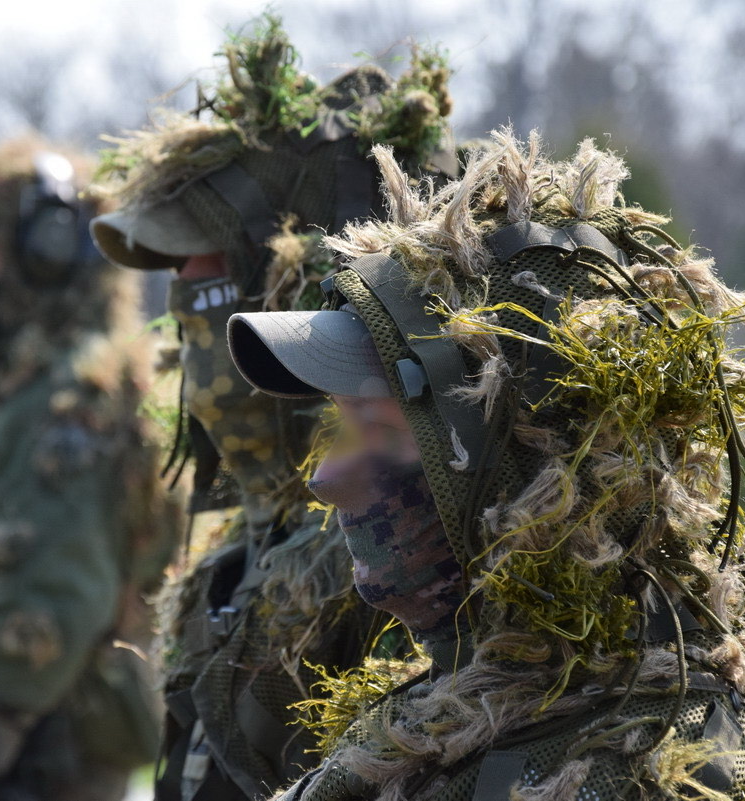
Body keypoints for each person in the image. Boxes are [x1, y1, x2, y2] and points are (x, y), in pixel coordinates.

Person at [227, 129, 745, 799]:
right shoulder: (467, 719)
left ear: (526, 464)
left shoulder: (609, 773)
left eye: (374, 428)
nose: (325, 478)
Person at [89, 15, 458, 801]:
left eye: (215, 272)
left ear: (298, 284)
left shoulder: (388, 563)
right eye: (179, 285)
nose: (186, 295)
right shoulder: (234, 563)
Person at [0, 137, 178, 801]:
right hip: (18, 737)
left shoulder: (72, 400)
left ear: (47, 254)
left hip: (48, 749)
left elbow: (54, 597)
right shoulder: (8, 390)